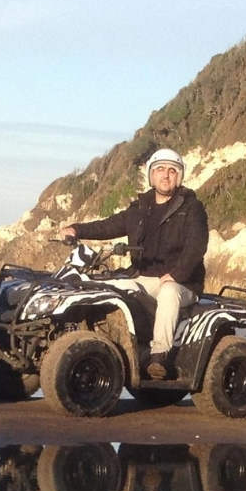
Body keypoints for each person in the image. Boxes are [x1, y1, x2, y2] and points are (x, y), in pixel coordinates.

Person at [61, 148, 210, 380]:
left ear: (179, 177)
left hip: (182, 283)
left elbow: (197, 246)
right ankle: (104, 346)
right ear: (151, 175)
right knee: (109, 287)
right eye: (160, 169)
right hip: (142, 276)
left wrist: (177, 274)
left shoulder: (192, 208)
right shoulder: (140, 207)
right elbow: (109, 225)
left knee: (169, 292)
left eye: (172, 170)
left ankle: (159, 355)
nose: (166, 175)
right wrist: (76, 229)